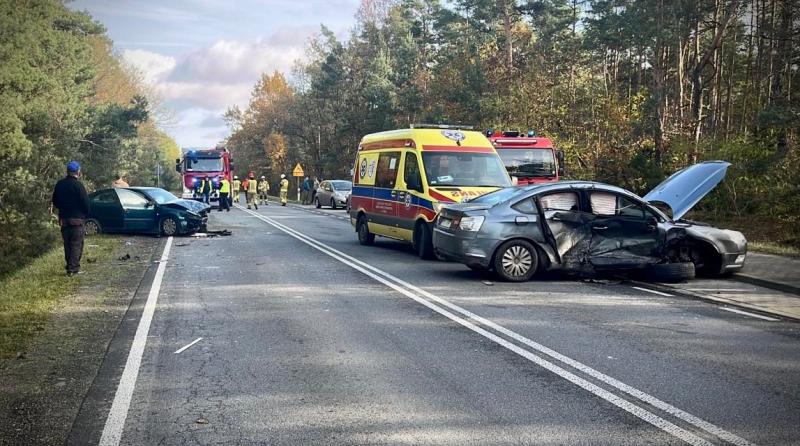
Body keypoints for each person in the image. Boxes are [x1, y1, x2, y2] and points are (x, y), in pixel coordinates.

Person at [52, 161, 90, 276]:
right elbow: (86, 203)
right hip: (77, 220)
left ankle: (70, 266)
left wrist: (62, 209)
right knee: (76, 244)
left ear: (67, 171)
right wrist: (85, 213)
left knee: (67, 244)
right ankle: (73, 269)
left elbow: (55, 201)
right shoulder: (78, 186)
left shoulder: (60, 184)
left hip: (64, 219)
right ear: (78, 171)